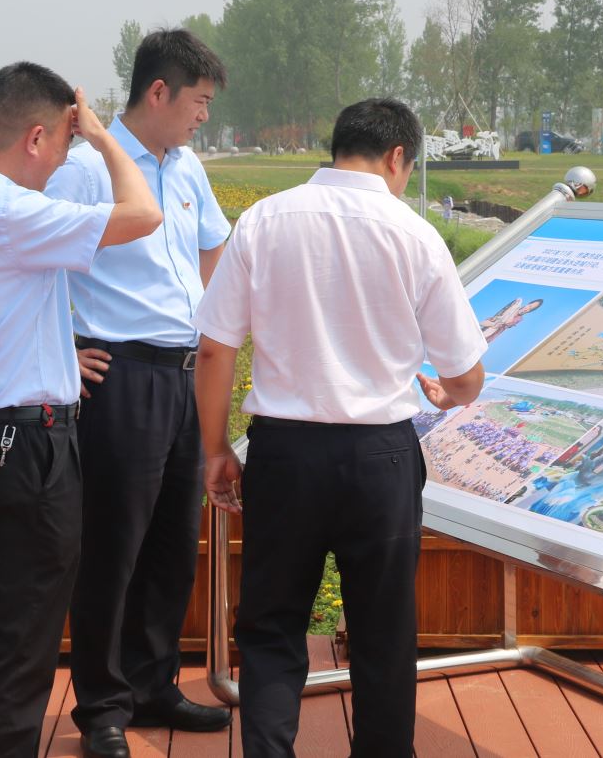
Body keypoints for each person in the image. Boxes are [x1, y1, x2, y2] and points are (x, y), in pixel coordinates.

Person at [194, 99, 486, 758]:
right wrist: (450, 393)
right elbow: (466, 372)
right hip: (380, 457)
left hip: (284, 453)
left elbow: (213, 348)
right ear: (396, 157)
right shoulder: (414, 234)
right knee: (384, 633)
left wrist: (214, 449)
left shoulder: (265, 219)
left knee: (271, 627)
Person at [0, 63, 160, 758]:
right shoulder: (11, 213)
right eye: (63, 142)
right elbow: (144, 214)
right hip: (25, 448)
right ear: (34, 137)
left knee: (8, 634)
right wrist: (108, 139)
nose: (63, 160)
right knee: (21, 644)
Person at [45, 29, 232, 757]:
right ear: (159, 92)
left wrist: (209, 326)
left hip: (183, 374)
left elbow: (213, 246)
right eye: (198, 101)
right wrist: (59, 344)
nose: (203, 117)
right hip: (119, 375)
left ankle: (154, 684)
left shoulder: (186, 168)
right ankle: (102, 707)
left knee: (171, 545)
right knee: (112, 548)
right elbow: (36, 259)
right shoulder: (85, 170)